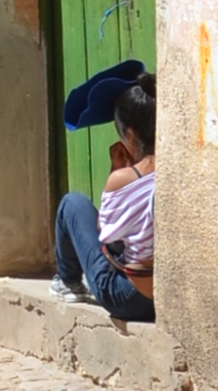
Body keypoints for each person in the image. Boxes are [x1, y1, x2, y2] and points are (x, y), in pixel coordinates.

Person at [53, 72, 155, 322]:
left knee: (72, 204)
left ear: (130, 135)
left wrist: (117, 169)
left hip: (130, 298)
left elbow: (107, 234)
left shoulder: (125, 179)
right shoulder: (181, 169)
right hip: (171, 296)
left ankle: (69, 282)